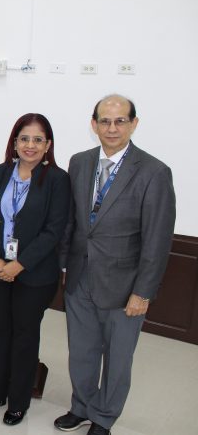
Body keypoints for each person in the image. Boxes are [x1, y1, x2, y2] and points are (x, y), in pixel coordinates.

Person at [54, 95, 175, 435]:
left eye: (120, 121)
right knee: (82, 352)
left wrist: (143, 292)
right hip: (80, 278)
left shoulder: (153, 172)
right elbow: (71, 221)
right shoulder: (80, 162)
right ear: (93, 125)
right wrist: (64, 266)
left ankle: (104, 417)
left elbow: (157, 240)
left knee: (118, 358)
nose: (112, 128)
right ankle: (81, 406)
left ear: (134, 124)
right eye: (105, 121)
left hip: (125, 286)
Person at [0, 114, 71, 425]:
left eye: (38, 139)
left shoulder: (57, 180)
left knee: (24, 336)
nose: (30, 145)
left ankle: (18, 401)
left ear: (48, 145)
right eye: (24, 138)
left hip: (34, 274)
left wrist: (18, 264)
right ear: (14, 142)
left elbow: (54, 230)